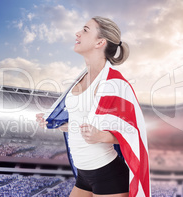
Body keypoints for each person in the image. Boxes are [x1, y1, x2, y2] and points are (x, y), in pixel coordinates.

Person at [36, 16, 150, 197]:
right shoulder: (78, 80)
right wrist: (51, 123)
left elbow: (133, 133)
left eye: (85, 30)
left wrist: (102, 135)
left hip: (108, 175)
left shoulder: (115, 84)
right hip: (84, 174)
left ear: (100, 42)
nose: (77, 33)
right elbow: (78, 125)